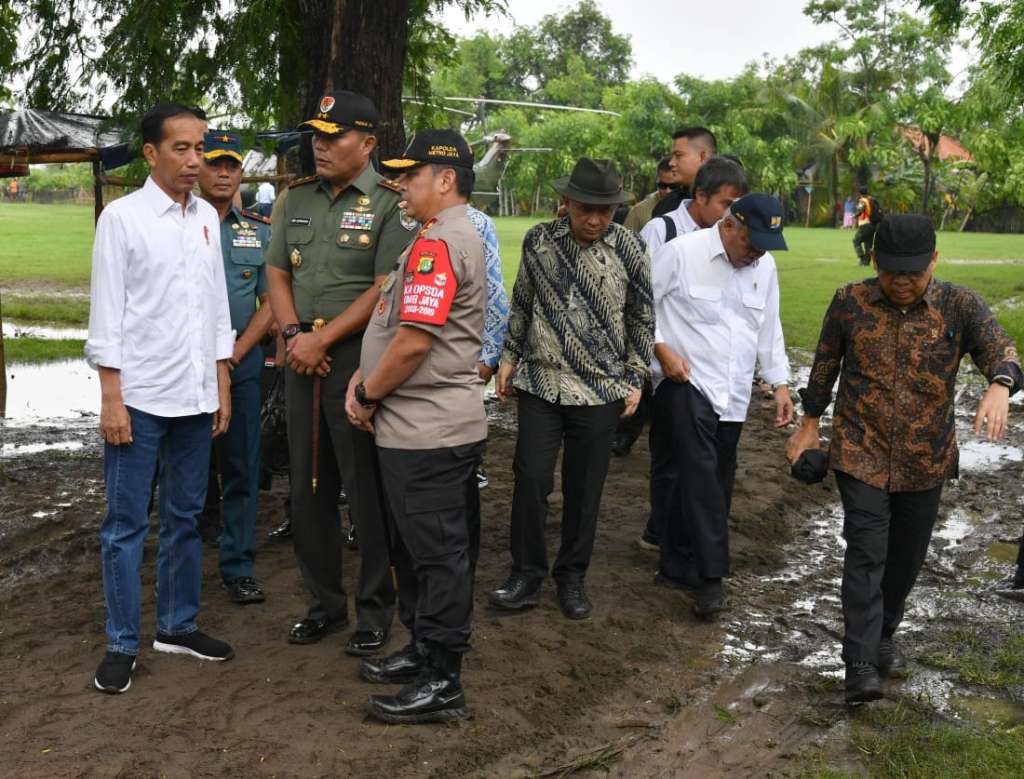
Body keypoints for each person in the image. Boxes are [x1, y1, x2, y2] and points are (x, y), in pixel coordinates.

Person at [786, 214, 1021, 703]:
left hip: (926, 459)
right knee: (867, 551)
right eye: (892, 270)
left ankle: (884, 632)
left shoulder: (960, 305)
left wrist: (1000, 386)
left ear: (934, 260)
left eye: (913, 271)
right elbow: (825, 365)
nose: (902, 281)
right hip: (860, 451)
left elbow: (1002, 349)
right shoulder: (850, 301)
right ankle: (860, 664)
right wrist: (809, 425)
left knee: (906, 560)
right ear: (876, 261)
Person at [86, 103, 236, 694]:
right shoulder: (121, 219)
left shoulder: (205, 219)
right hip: (141, 398)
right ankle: (122, 642)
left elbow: (216, 305)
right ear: (151, 153)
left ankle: (177, 625)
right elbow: (108, 315)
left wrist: (221, 381)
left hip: (196, 397)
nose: (195, 160)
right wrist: (111, 398)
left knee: (183, 517)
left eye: (199, 147)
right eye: (182, 148)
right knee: (125, 525)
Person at [345, 129, 486, 724]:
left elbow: (412, 342)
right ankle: (425, 650)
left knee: (438, 557)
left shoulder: (440, 243)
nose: (400, 186)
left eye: (412, 175)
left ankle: (444, 680)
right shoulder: (436, 237)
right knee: (418, 551)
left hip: (428, 431)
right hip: (418, 429)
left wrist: (368, 390)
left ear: (445, 179)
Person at [265, 90, 411, 657]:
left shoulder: (390, 205)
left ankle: (374, 610)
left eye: (334, 136)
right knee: (307, 489)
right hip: (302, 356)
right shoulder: (295, 200)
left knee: (365, 489)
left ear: (369, 143)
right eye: (316, 136)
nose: (319, 146)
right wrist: (297, 335)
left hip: (357, 362)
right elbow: (277, 272)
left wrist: (323, 338)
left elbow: (384, 288)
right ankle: (323, 603)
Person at [488, 158, 654, 620]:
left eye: (606, 210)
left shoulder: (630, 248)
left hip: (601, 391)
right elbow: (521, 302)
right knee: (531, 478)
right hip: (541, 383)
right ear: (567, 203)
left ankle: (572, 577)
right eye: (586, 209)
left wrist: (635, 377)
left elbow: (641, 318)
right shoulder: (539, 240)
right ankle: (525, 574)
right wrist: (508, 356)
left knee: (585, 489)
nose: (596, 219)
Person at [651, 194, 793, 619]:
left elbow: (769, 327)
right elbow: (639, 309)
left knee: (714, 477)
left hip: (733, 393)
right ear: (729, 226)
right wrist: (660, 350)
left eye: (765, 247)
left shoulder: (763, 266)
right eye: (751, 243)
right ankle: (712, 579)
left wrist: (780, 383)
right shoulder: (679, 253)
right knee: (699, 471)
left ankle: (676, 565)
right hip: (684, 381)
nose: (756, 254)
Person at [614, 157, 749, 461]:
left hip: (708, 376)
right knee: (669, 459)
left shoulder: (737, 242)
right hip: (666, 372)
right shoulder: (662, 231)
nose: (730, 213)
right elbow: (638, 300)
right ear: (701, 196)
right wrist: (660, 353)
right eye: (725, 203)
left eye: (737, 205)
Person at [196, 130, 275, 604]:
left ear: (242, 173)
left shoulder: (257, 231)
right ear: (198, 169)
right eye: (214, 163)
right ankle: (183, 562)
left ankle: (238, 565)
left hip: (242, 360)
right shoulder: (182, 223)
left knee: (243, 463)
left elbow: (270, 302)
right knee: (186, 465)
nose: (223, 173)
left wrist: (237, 352)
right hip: (186, 362)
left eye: (232, 165)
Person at [640, 156, 749, 267]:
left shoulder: (731, 234)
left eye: (736, 207)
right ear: (701, 196)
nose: (731, 214)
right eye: (727, 204)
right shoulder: (659, 231)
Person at [651, 127, 718, 220]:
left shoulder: (728, 200)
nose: (671, 163)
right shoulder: (667, 205)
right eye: (672, 156)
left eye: (678, 155)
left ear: (703, 157)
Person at [623, 156, 678, 233]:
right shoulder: (639, 211)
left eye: (673, 186)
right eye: (663, 186)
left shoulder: (691, 206)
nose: (668, 191)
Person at [853, 186, 878, 265]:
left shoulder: (863, 201)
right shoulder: (872, 199)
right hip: (873, 225)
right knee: (868, 243)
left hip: (865, 224)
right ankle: (866, 262)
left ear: (860, 193)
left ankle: (862, 258)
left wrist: (855, 215)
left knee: (856, 241)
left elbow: (860, 210)